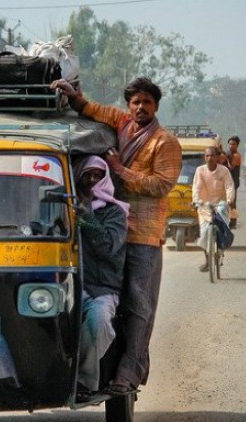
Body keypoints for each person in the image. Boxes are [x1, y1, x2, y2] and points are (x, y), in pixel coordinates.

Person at [51, 76, 181, 394]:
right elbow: (92, 109)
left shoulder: (165, 142)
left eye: (146, 102)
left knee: (137, 305)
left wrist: (119, 169)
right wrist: (73, 96)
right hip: (109, 222)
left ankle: (128, 374)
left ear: (156, 106)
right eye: (135, 102)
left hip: (142, 234)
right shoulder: (121, 122)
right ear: (128, 105)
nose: (140, 107)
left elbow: (161, 185)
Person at [74, 155, 129, 402]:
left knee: (99, 322)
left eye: (98, 175)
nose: (93, 181)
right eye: (88, 176)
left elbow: (107, 246)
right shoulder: (67, 209)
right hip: (71, 287)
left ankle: (82, 381)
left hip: (102, 290)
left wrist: (87, 217)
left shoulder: (114, 213)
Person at [192, 147, 236, 271]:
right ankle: (207, 261)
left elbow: (229, 186)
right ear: (204, 157)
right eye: (207, 156)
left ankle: (221, 248)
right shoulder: (200, 171)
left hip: (221, 205)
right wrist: (196, 201)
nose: (210, 158)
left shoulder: (224, 171)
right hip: (205, 206)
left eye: (212, 155)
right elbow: (197, 188)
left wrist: (229, 199)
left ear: (217, 157)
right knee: (204, 233)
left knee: (222, 224)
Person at [227, 136, 242, 228]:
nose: (231, 146)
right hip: (228, 181)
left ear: (237, 145)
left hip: (233, 182)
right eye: (230, 144)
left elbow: (230, 168)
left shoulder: (236, 156)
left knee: (232, 203)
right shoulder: (229, 154)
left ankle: (233, 222)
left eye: (233, 144)